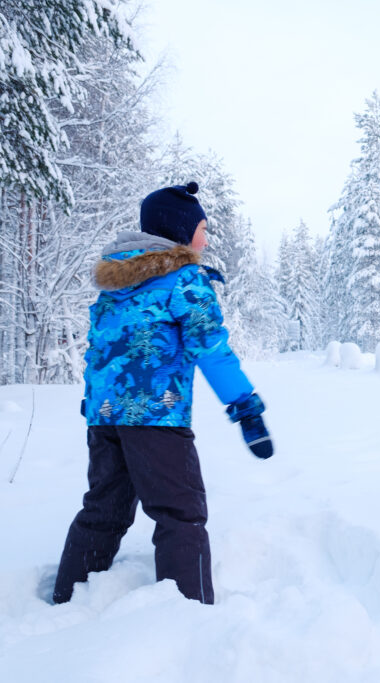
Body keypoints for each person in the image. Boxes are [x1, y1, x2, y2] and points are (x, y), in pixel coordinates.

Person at [52, 182, 274, 605]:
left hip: (105, 418)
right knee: (180, 513)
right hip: (157, 419)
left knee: (104, 510)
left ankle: (67, 599)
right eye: (203, 229)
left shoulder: (115, 284)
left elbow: (101, 351)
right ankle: (188, 613)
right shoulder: (185, 279)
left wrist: (95, 405)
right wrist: (244, 406)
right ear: (179, 230)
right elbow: (210, 347)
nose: (207, 239)